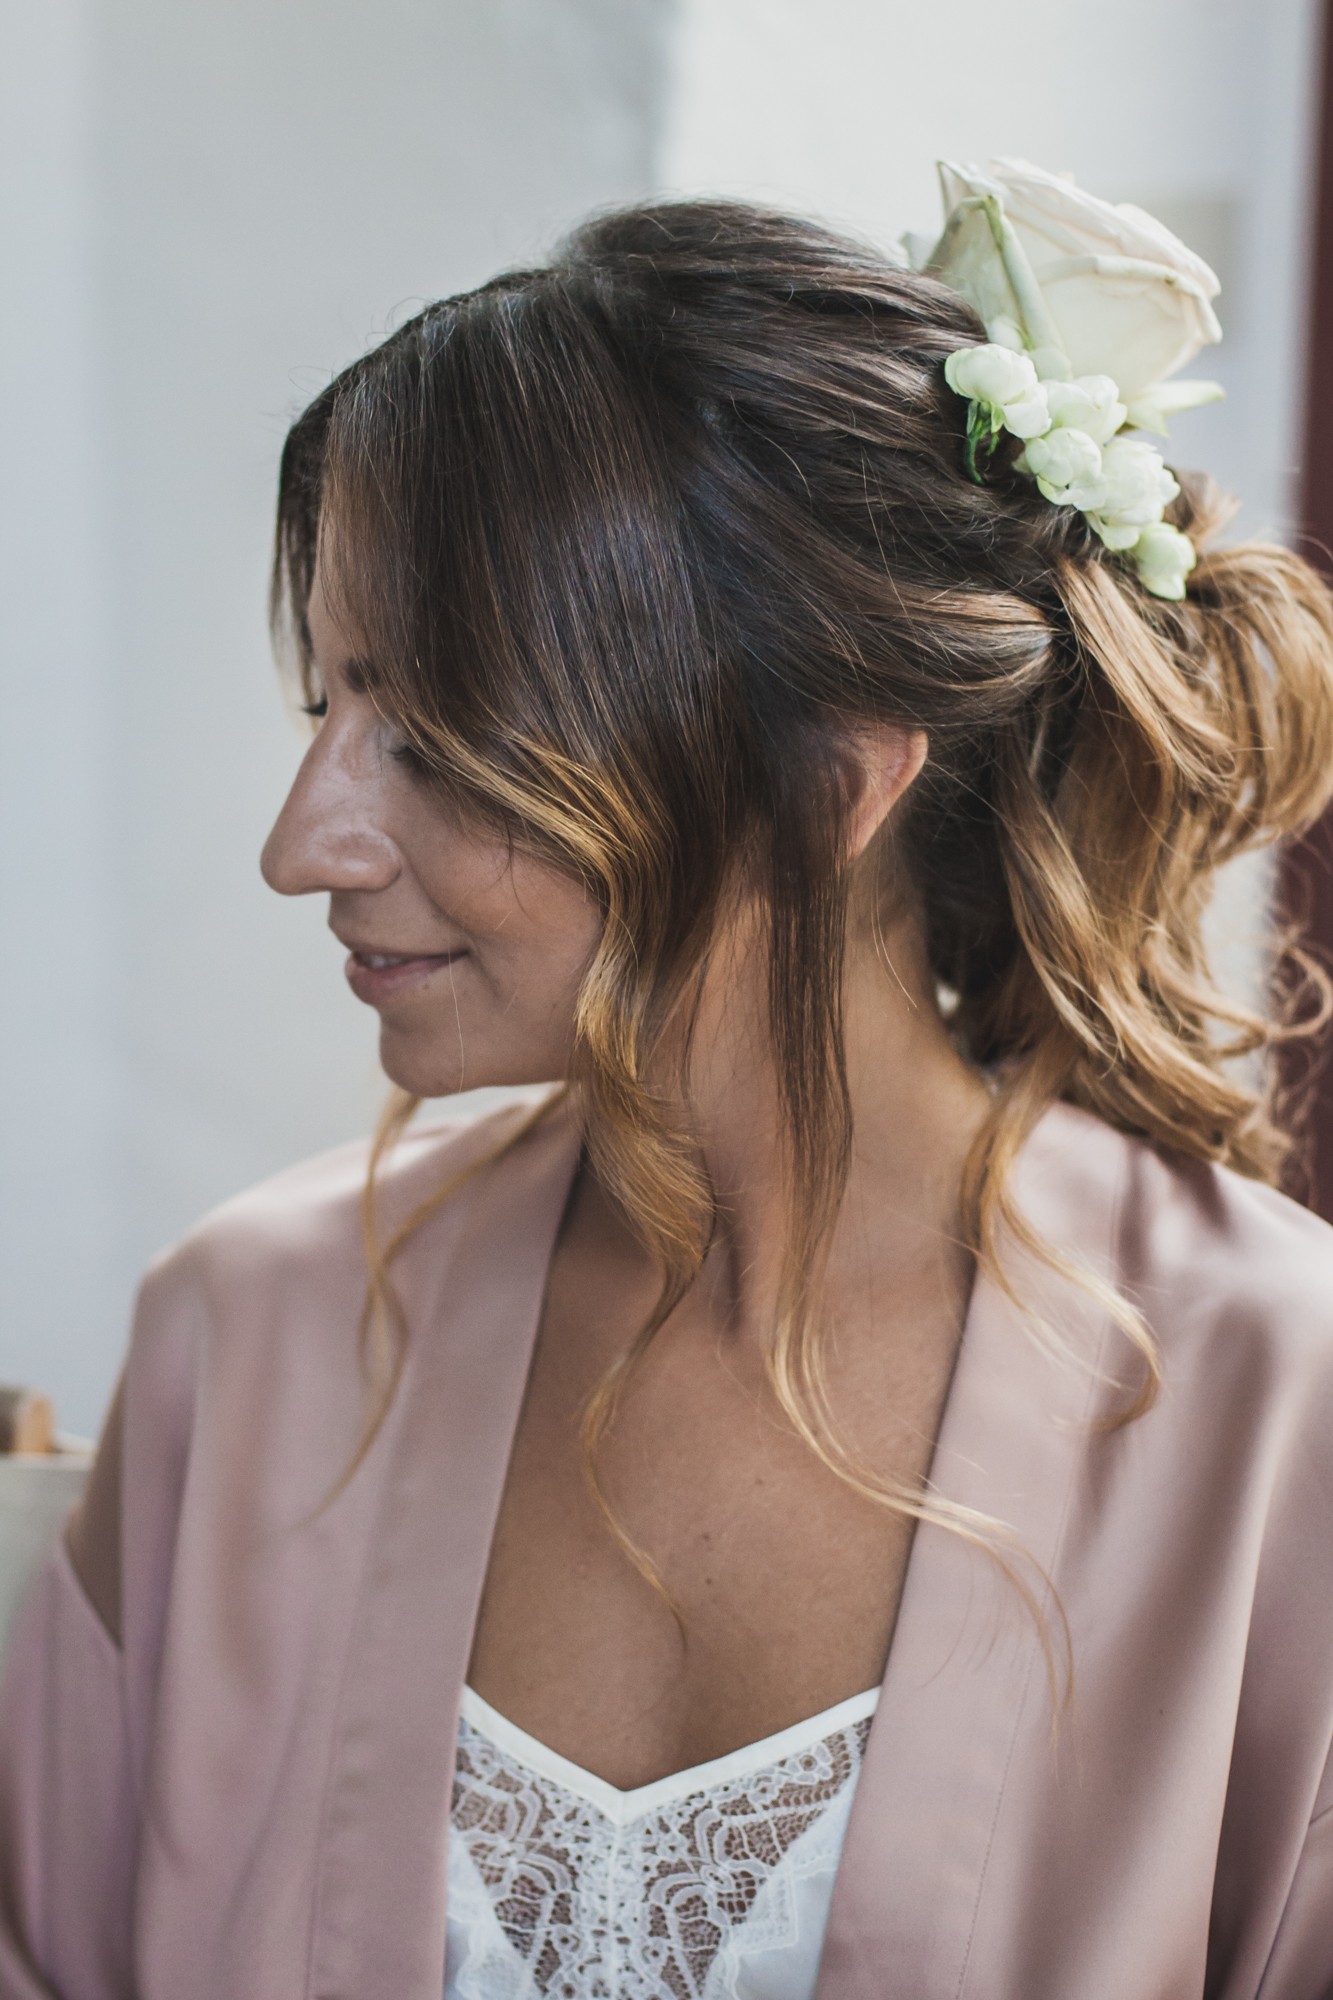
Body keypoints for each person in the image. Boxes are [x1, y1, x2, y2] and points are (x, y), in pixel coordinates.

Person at [4, 165, 1333, 2000]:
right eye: (331, 708)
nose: (303, 845)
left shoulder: (1277, 1399)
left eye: (441, 737)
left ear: (824, 787)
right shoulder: (246, 1345)